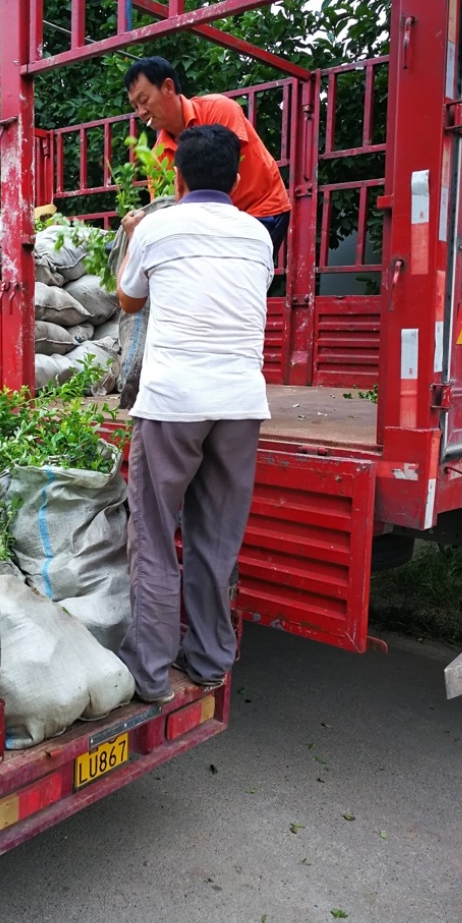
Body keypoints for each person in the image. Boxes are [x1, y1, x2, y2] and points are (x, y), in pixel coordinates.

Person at [116, 124, 273, 703]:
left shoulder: (158, 226)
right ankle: (209, 660)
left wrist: (134, 238)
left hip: (173, 404)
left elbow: (129, 300)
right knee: (216, 539)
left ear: (177, 175)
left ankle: (151, 675)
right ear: (236, 177)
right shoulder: (259, 236)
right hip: (239, 404)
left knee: (155, 535)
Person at [124, 55, 291, 253]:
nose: (141, 112)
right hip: (212, 228)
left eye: (144, 100)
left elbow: (227, 172)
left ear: (168, 87)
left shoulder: (219, 109)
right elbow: (166, 207)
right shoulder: (157, 157)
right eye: (135, 107)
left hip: (261, 209)